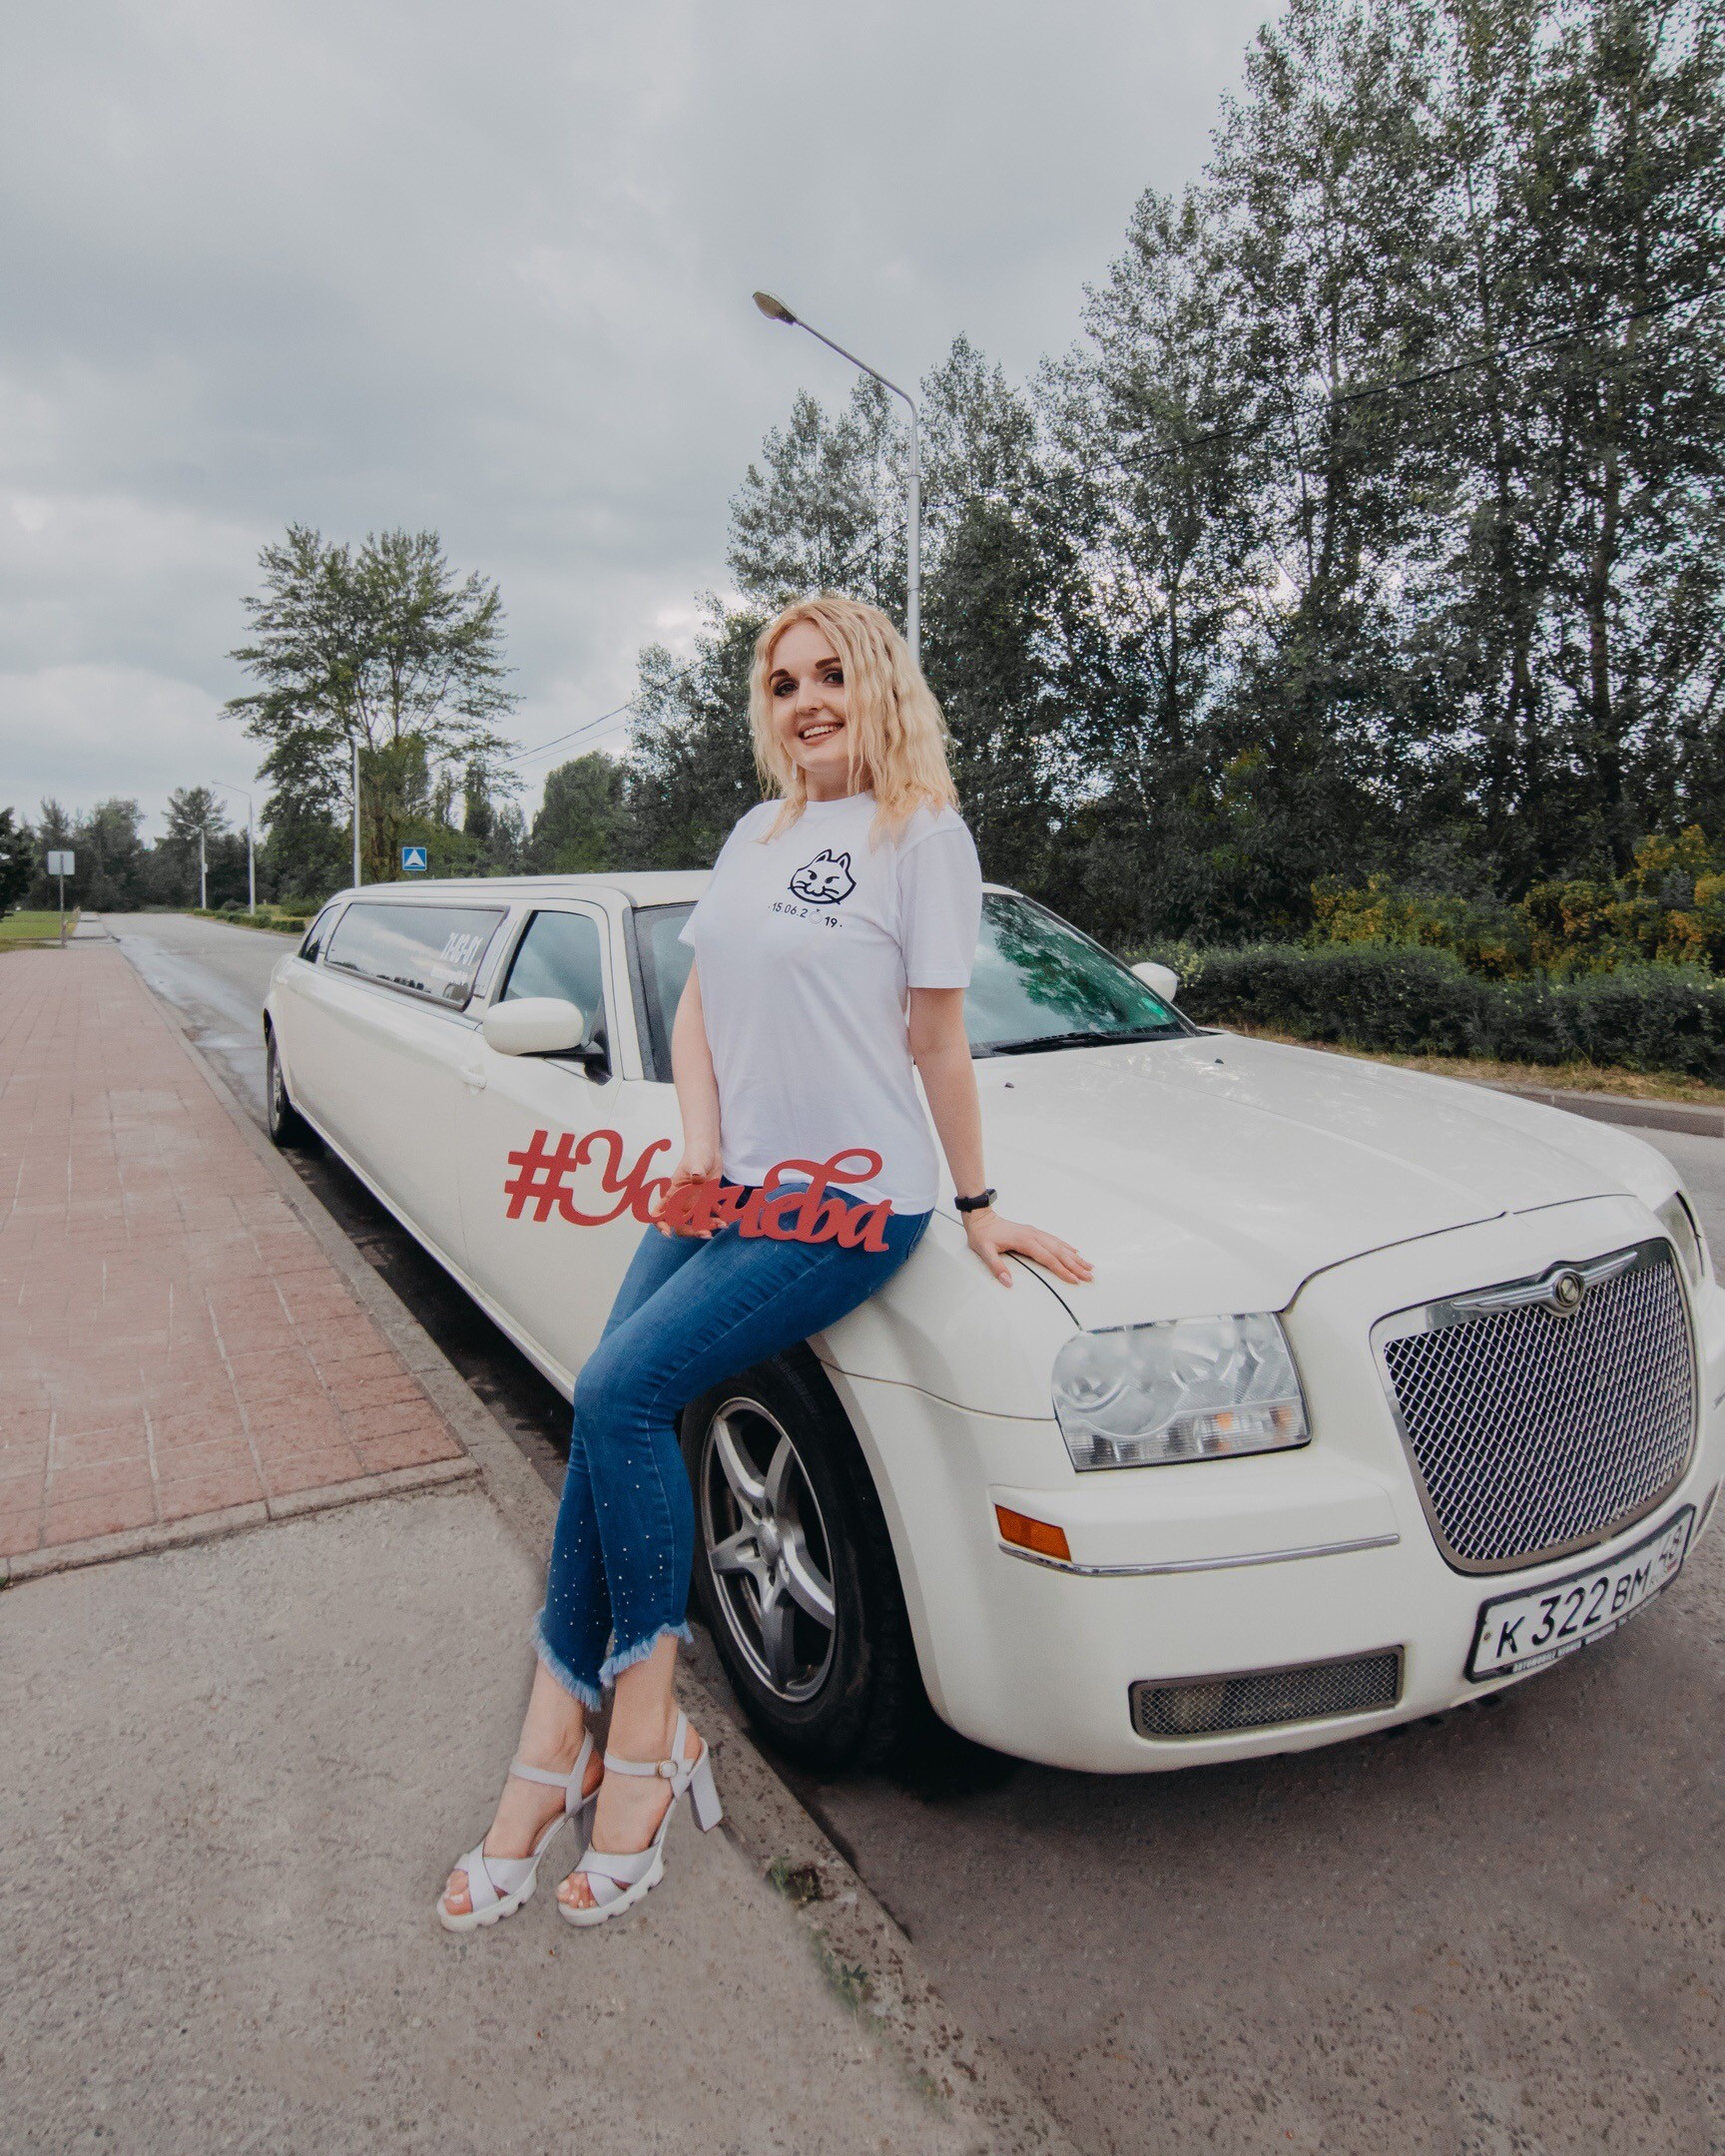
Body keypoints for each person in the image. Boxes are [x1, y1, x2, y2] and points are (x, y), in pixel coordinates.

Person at [438, 591, 1094, 1932]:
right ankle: (560, 1747)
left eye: (831, 676)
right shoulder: (758, 832)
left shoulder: (923, 835)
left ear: (879, 685)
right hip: (727, 1184)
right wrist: (699, 1146)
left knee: (622, 1394)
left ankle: (638, 1742)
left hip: (851, 1202)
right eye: (784, 684)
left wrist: (979, 1204)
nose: (807, 704)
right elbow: (699, 1006)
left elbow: (937, 1040)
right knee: (606, 1402)